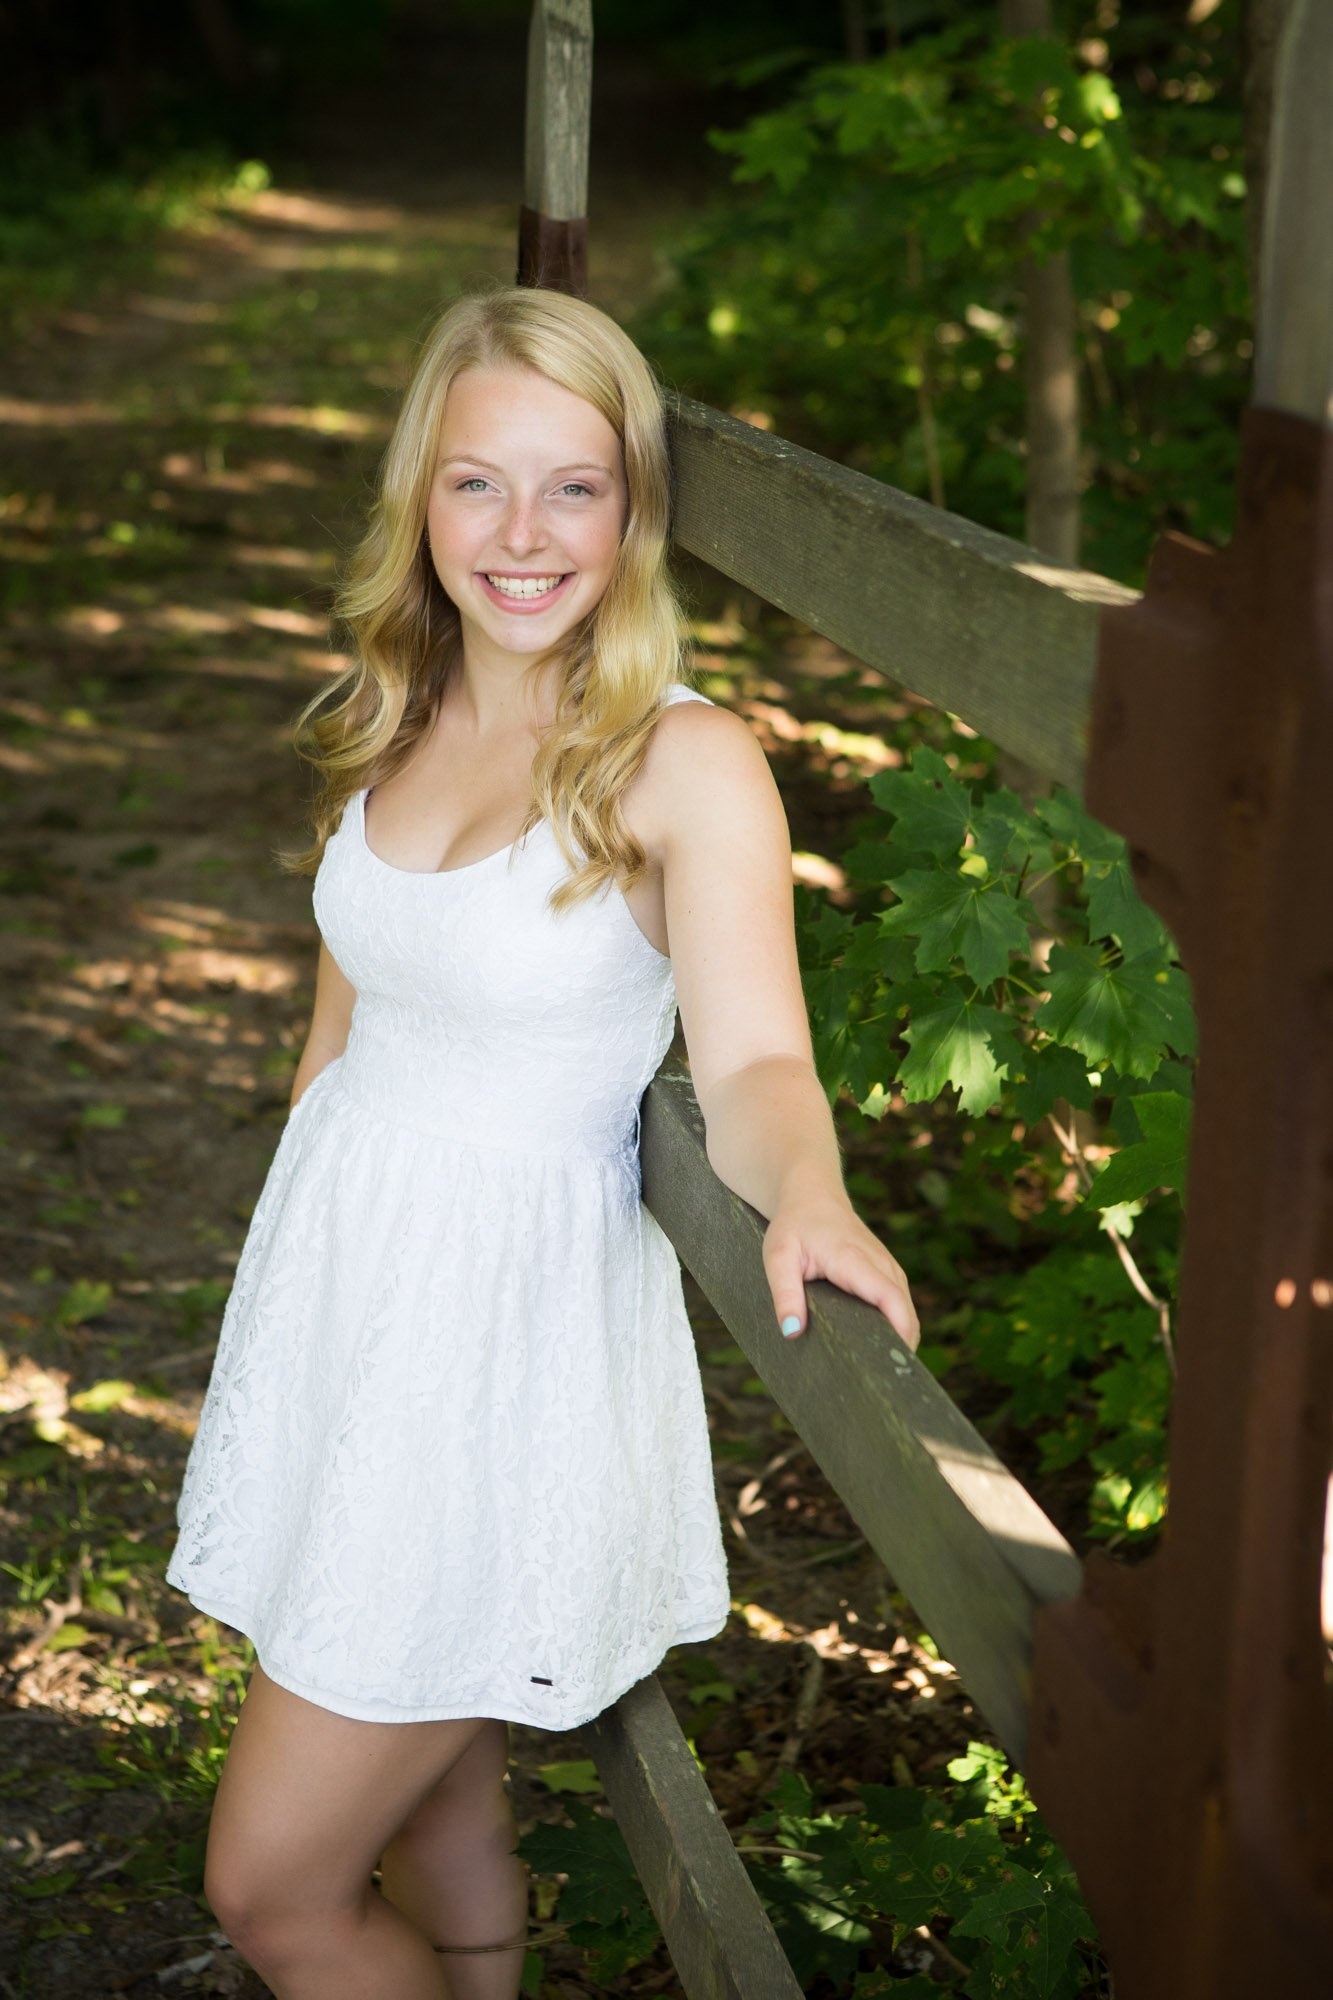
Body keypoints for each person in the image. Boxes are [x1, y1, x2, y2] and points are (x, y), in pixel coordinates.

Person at [164, 281, 920, 1999]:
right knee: (438, 1810)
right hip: (353, 1307)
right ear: (417, 499)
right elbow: (349, 1012)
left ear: (634, 510)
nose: (521, 535)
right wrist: (294, 1307)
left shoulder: (681, 761)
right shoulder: (399, 707)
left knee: (274, 1887)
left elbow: (754, 1062)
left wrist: (806, 1191)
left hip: (490, 1362)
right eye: (474, 483)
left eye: (572, 486)